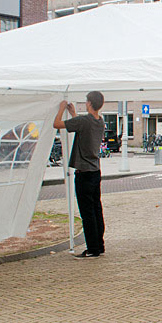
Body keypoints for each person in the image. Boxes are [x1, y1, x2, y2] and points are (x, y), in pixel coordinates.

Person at [54, 92, 106, 259]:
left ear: (89, 103)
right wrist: (74, 114)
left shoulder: (83, 121)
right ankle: (99, 245)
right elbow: (83, 127)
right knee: (96, 209)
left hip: (83, 173)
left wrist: (62, 109)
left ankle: (92, 249)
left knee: (87, 212)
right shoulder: (100, 121)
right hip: (95, 171)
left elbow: (57, 124)